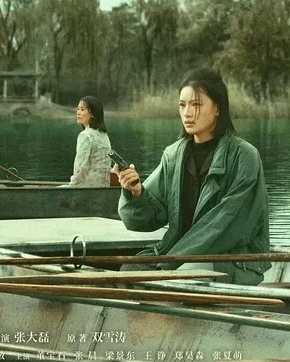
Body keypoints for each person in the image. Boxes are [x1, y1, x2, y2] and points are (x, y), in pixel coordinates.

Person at [114, 68, 270, 285]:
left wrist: (171, 264)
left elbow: (224, 225)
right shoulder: (174, 155)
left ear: (218, 108)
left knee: (189, 275)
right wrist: (136, 192)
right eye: (182, 105)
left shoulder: (244, 156)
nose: (187, 113)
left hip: (229, 260)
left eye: (196, 105)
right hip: (177, 258)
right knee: (128, 270)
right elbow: (149, 217)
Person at [67, 96, 112, 187]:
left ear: (93, 114)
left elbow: (80, 167)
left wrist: (73, 185)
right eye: (78, 109)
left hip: (87, 186)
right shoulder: (103, 134)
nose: (78, 112)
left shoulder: (85, 135)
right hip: (104, 185)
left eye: (82, 109)